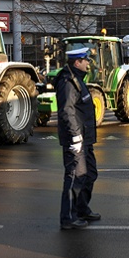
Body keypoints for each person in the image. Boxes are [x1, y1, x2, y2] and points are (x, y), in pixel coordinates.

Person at [54, 47, 100, 230]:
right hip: (77, 139)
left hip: (86, 138)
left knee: (90, 174)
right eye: (85, 60)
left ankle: (81, 209)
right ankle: (68, 218)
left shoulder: (78, 80)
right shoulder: (68, 82)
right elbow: (67, 111)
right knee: (75, 176)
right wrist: (75, 137)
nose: (88, 62)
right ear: (77, 62)